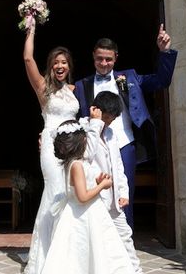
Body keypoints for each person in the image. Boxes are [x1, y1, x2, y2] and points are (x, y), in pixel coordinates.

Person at [38, 119, 137, 274]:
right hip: (79, 220)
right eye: (85, 138)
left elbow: (85, 187)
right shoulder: (76, 165)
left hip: (92, 219)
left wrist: (97, 180)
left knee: (94, 260)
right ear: (79, 143)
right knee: (77, 264)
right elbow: (82, 197)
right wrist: (102, 186)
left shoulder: (81, 164)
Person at [74, 25, 177, 228]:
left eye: (109, 59)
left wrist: (164, 52)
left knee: (125, 192)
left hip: (125, 143)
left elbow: (161, 81)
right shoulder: (81, 85)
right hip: (94, 147)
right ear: (93, 57)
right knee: (94, 192)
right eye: (99, 59)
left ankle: (124, 240)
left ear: (116, 58)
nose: (104, 63)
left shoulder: (129, 77)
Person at [21, 21, 82, 274]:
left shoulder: (73, 90)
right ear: (51, 65)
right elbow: (27, 58)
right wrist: (31, 29)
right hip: (51, 147)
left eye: (64, 62)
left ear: (69, 67)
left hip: (73, 148)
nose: (60, 66)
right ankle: (47, 258)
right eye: (56, 62)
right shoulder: (43, 88)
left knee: (70, 195)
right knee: (55, 192)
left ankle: (67, 253)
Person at [89, 91, 164, 274]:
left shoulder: (112, 134)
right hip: (93, 198)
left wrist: (123, 192)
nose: (109, 122)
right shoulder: (83, 130)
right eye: (106, 117)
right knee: (98, 243)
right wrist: (95, 125)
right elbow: (85, 156)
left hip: (112, 199)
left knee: (125, 235)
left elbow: (118, 166)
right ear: (96, 111)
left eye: (113, 118)